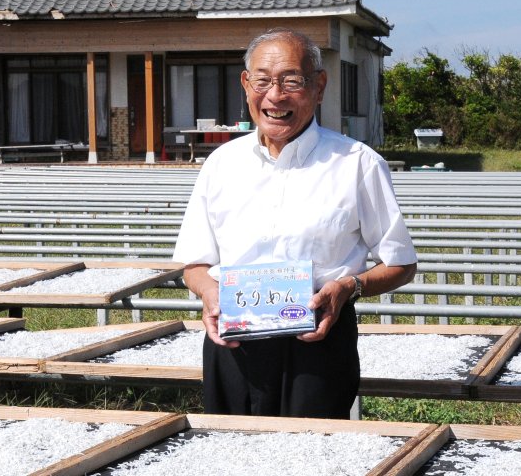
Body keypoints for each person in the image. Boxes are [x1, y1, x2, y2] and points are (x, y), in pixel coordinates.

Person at [172, 28, 418, 419]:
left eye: (292, 81)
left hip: (317, 342)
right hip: (233, 344)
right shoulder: (222, 163)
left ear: (319, 86)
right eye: (263, 80)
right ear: (245, 83)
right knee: (228, 454)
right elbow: (194, 264)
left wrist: (348, 287)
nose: (275, 95)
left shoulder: (357, 163)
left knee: (313, 456)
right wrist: (208, 293)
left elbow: (401, 264)